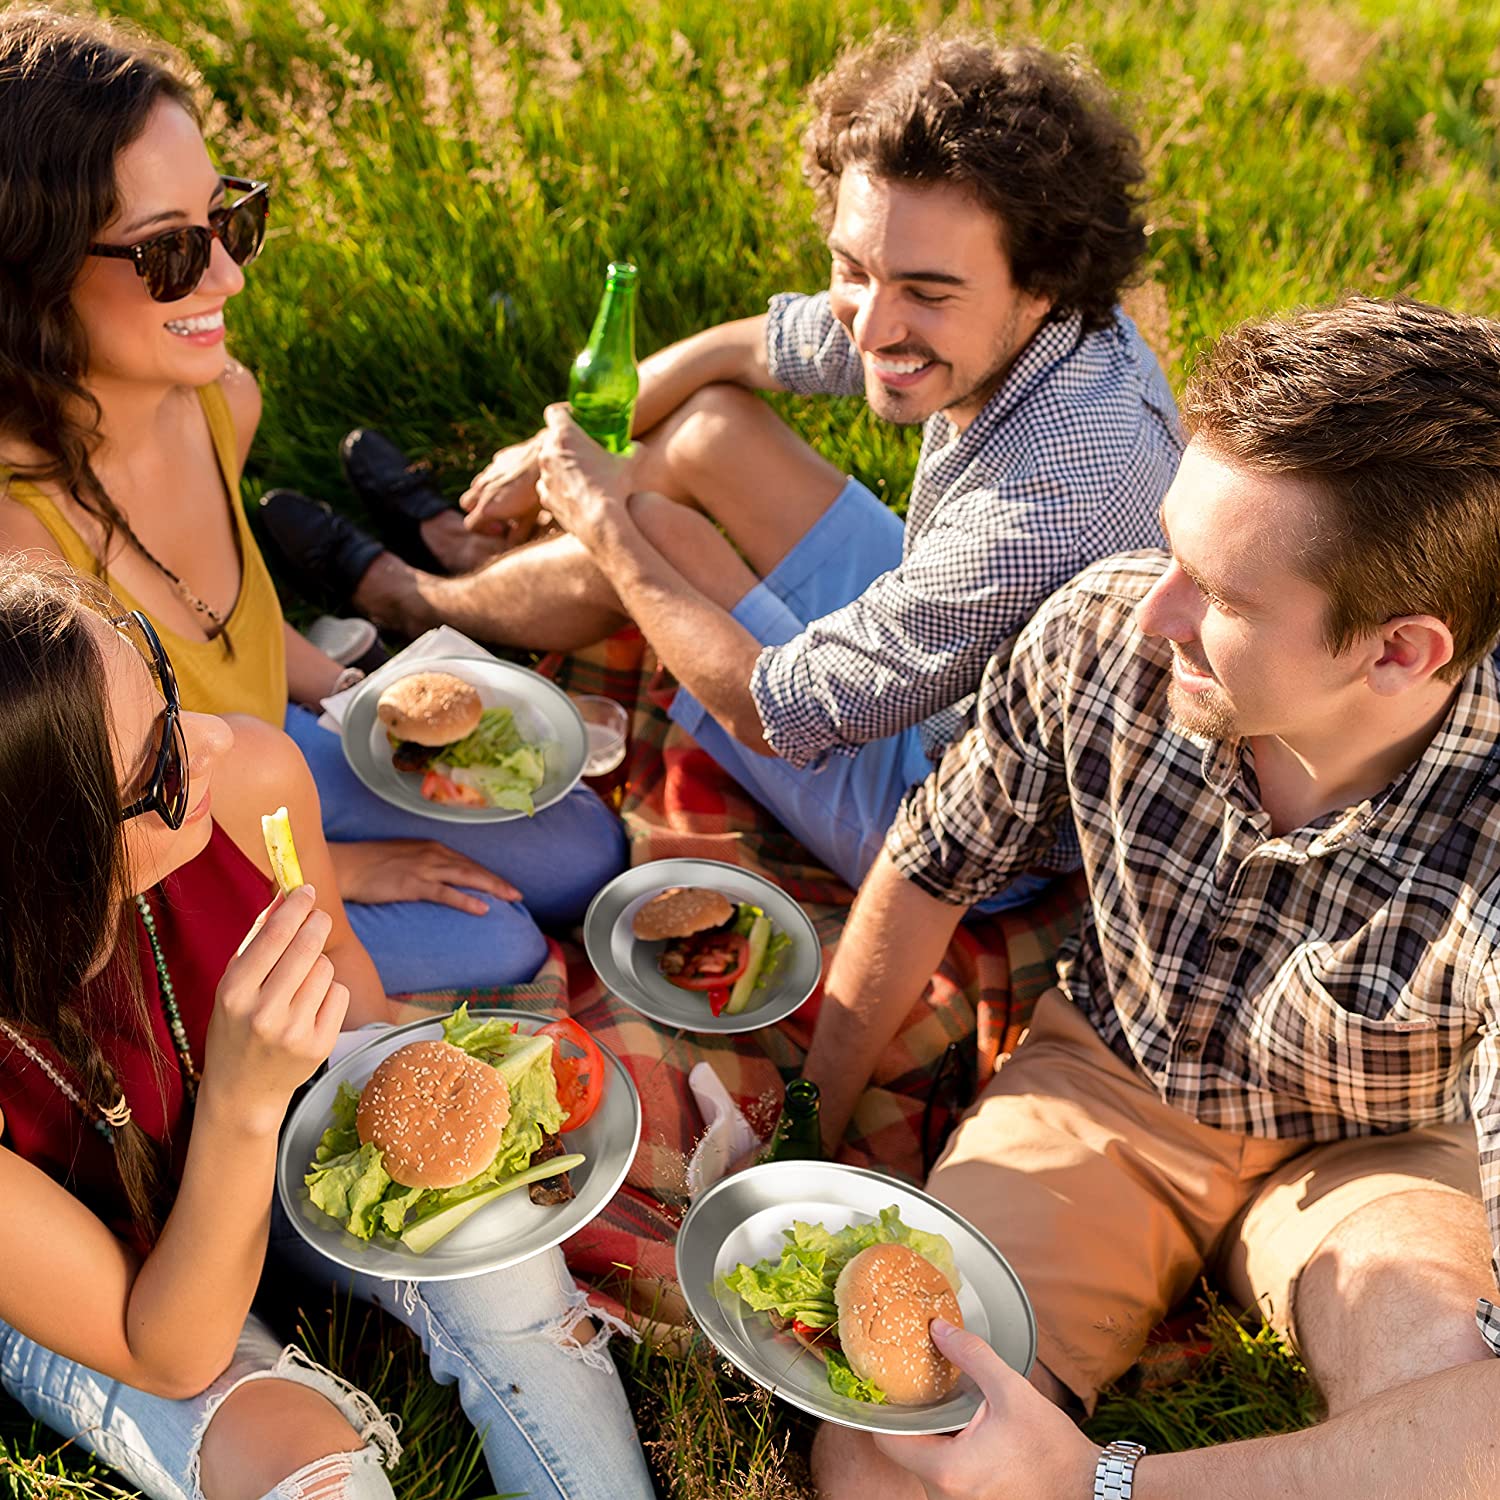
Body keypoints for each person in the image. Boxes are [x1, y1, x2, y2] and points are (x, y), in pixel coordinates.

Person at [798, 296, 1500, 1499]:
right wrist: (804, 1126)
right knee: (880, 1456)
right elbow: (935, 862)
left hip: (1376, 1154)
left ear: (1399, 652)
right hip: (1103, 1087)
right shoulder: (1102, 629)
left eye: (1222, 596)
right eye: (1170, 545)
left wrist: (1099, 1485)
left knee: (1447, 1390)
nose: (1152, 608)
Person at [264, 31, 1181, 893]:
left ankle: (405, 596)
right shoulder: (1036, 322)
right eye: (854, 268)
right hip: (959, 649)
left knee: (657, 540)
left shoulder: (1053, 498)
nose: (874, 321)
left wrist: (608, 527)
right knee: (708, 430)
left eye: (925, 293)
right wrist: (552, 449)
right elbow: (746, 352)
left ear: (1042, 280)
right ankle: (474, 557)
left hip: (957, 822)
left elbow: (774, 712)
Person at [0, 5, 625, 996]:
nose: (229, 274)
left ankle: (371, 602)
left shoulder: (216, 398)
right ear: (30, 273)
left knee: (588, 851)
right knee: (508, 942)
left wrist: (350, 698)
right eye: (169, 251)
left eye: (229, 218)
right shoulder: (21, 564)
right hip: (172, 866)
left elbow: (226, 618)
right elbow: (97, 866)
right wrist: (338, 875)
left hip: (275, 766)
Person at [0, 556, 655, 1500]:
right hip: (105, 1284)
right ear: (55, 871)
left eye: (169, 694)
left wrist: (404, 1091)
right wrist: (241, 1097)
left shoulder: (248, 779)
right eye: (164, 765)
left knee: (509, 1277)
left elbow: (347, 972)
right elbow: (170, 1352)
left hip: (264, 1138)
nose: (218, 739)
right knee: (306, 1468)